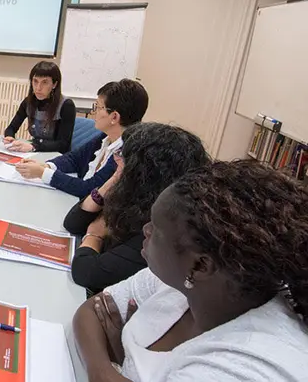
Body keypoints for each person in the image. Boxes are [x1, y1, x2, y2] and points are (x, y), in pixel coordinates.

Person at [73, 160, 308, 381]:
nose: (145, 229)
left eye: (156, 228)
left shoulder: (246, 367)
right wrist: (106, 370)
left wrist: (122, 360)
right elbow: (91, 311)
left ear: (200, 265)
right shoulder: (193, 279)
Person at [68, 123, 209, 294]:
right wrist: (113, 180)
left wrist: (94, 237)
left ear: (143, 172)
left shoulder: (162, 225)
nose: (116, 159)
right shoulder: (133, 196)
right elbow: (73, 222)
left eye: (123, 157)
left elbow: (87, 272)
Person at [14, 79, 149, 197]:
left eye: (98, 107)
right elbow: (74, 158)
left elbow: (89, 189)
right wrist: (47, 165)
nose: (93, 112)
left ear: (114, 117)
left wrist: (43, 173)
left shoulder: (124, 154)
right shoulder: (106, 137)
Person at [3, 61, 75, 153]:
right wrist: (10, 137)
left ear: (54, 84)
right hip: (36, 152)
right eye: (35, 81)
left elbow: (63, 144)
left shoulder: (66, 105)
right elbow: (11, 128)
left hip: (56, 156)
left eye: (44, 82)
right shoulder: (28, 102)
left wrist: (33, 146)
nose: (38, 88)